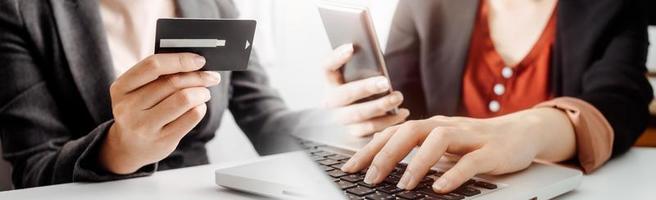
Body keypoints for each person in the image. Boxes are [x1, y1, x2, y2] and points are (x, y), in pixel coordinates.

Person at [323, 0, 652, 194]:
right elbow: (404, 101)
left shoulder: (614, 7)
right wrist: (372, 108)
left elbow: (622, 99)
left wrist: (530, 130)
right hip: (438, 189)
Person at [0, 0, 322, 188]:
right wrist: (119, 149)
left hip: (201, 191)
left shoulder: (212, 3)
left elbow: (267, 119)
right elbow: (33, 170)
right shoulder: (20, 11)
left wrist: (342, 123)